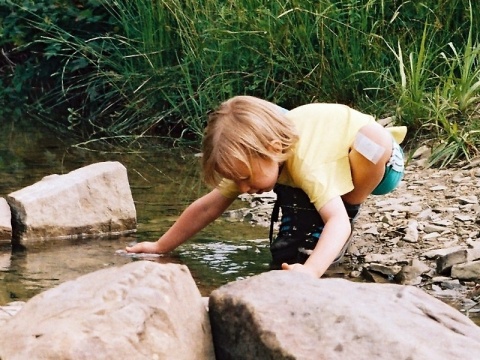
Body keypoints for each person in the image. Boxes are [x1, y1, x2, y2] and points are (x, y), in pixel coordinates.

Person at [126, 95, 407, 278]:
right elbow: (207, 207)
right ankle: (301, 210)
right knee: (244, 119)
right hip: (305, 148)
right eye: (237, 180)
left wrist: (308, 273)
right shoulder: (254, 161)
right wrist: (160, 246)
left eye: (245, 179)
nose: (243, 188)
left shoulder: (309, 165)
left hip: (377, 163)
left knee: (372, 141)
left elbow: (338, 223)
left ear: (273, 149)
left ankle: (350, 203)